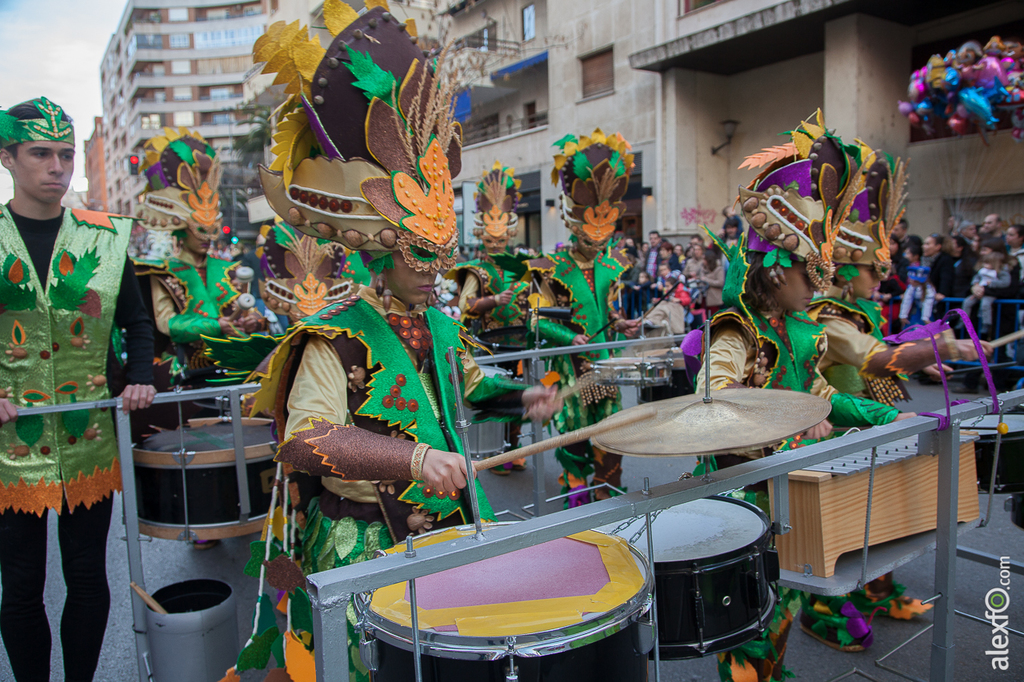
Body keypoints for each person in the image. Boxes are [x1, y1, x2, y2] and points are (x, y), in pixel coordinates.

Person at [209, 9, 561, 681]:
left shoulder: (436, 320)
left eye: (438, 260)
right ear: (381, 250)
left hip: (445, 529)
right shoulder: (335, 336)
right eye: (421, 261)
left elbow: (468, 388)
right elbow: (304, 440)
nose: (435, 275)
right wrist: (413, 456)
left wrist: (525, 395)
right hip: (362, 541)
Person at [702, 112, 915, 681]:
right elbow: (718, 406)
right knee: (748, 615)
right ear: (775, 274)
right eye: (810, 274)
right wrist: (795, 426)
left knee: (786, 604)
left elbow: (821, 394)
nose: (821, 286)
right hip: (742, 496)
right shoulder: (735, 331)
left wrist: (882, 415)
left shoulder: (802, 331)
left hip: (793, 489)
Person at [0, 97, 157, 682]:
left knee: (89, 576)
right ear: (7, 158)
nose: (57, 167)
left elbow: (136, 322)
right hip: (9, 448)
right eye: (40, 153)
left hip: (88, 436)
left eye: (66, 155)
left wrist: (140, 376)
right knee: (19, 583)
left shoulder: (107, 239)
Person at [526, 127, 641, 506]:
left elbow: (609, 311)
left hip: (605, 366)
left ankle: (608, 492)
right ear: (573, 222)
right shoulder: (550, 268)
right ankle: (576, 496)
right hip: (568, 368)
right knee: (573, 434)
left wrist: (621, 323)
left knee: (612, 432)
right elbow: (535, 319)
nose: (599, 238)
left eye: (606, 229)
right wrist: (567, 338)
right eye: (592, 228)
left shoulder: (614, 265)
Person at [132, 129, 267, 385]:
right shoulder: (163, 272)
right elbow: (166, 322)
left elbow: (243, 307)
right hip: (187, 373)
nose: (207, 237)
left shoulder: (229, 268)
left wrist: (254, 322)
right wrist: (216, 325)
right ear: (183, 228)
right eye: (200, 230)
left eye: (212, 230)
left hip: (235, 369)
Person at [447, 162, 531, 474]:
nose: (496, 244)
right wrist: (494, 300)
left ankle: (515, 449)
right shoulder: (476, 271)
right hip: (489, 345)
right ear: (482, 234)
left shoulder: (520, 266)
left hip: (520, 342)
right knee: (496, 395)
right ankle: (496, 454)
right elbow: (467, 304)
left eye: (501, 239)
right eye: (491, 240)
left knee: (519, 394)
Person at [962, 250, 1011, 338]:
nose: (985, 265)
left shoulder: (1001, 273)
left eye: (988, 263)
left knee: (985, 305)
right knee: (967, 302)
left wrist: (992, 283)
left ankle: (986, 323)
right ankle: (963, 321)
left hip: (989, 294)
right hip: (978, 291)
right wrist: (975, 284)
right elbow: (976, 277)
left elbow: (1006, 283)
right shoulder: (982, 271)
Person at [899, 242, 934, 326]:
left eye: (915, 280)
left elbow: (928, 303)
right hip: (914, 313)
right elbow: (907, 300)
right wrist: (903, 315)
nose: (911, 281)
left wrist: (926, 318)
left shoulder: (929, 289)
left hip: (927, 314)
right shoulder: (911, 287)